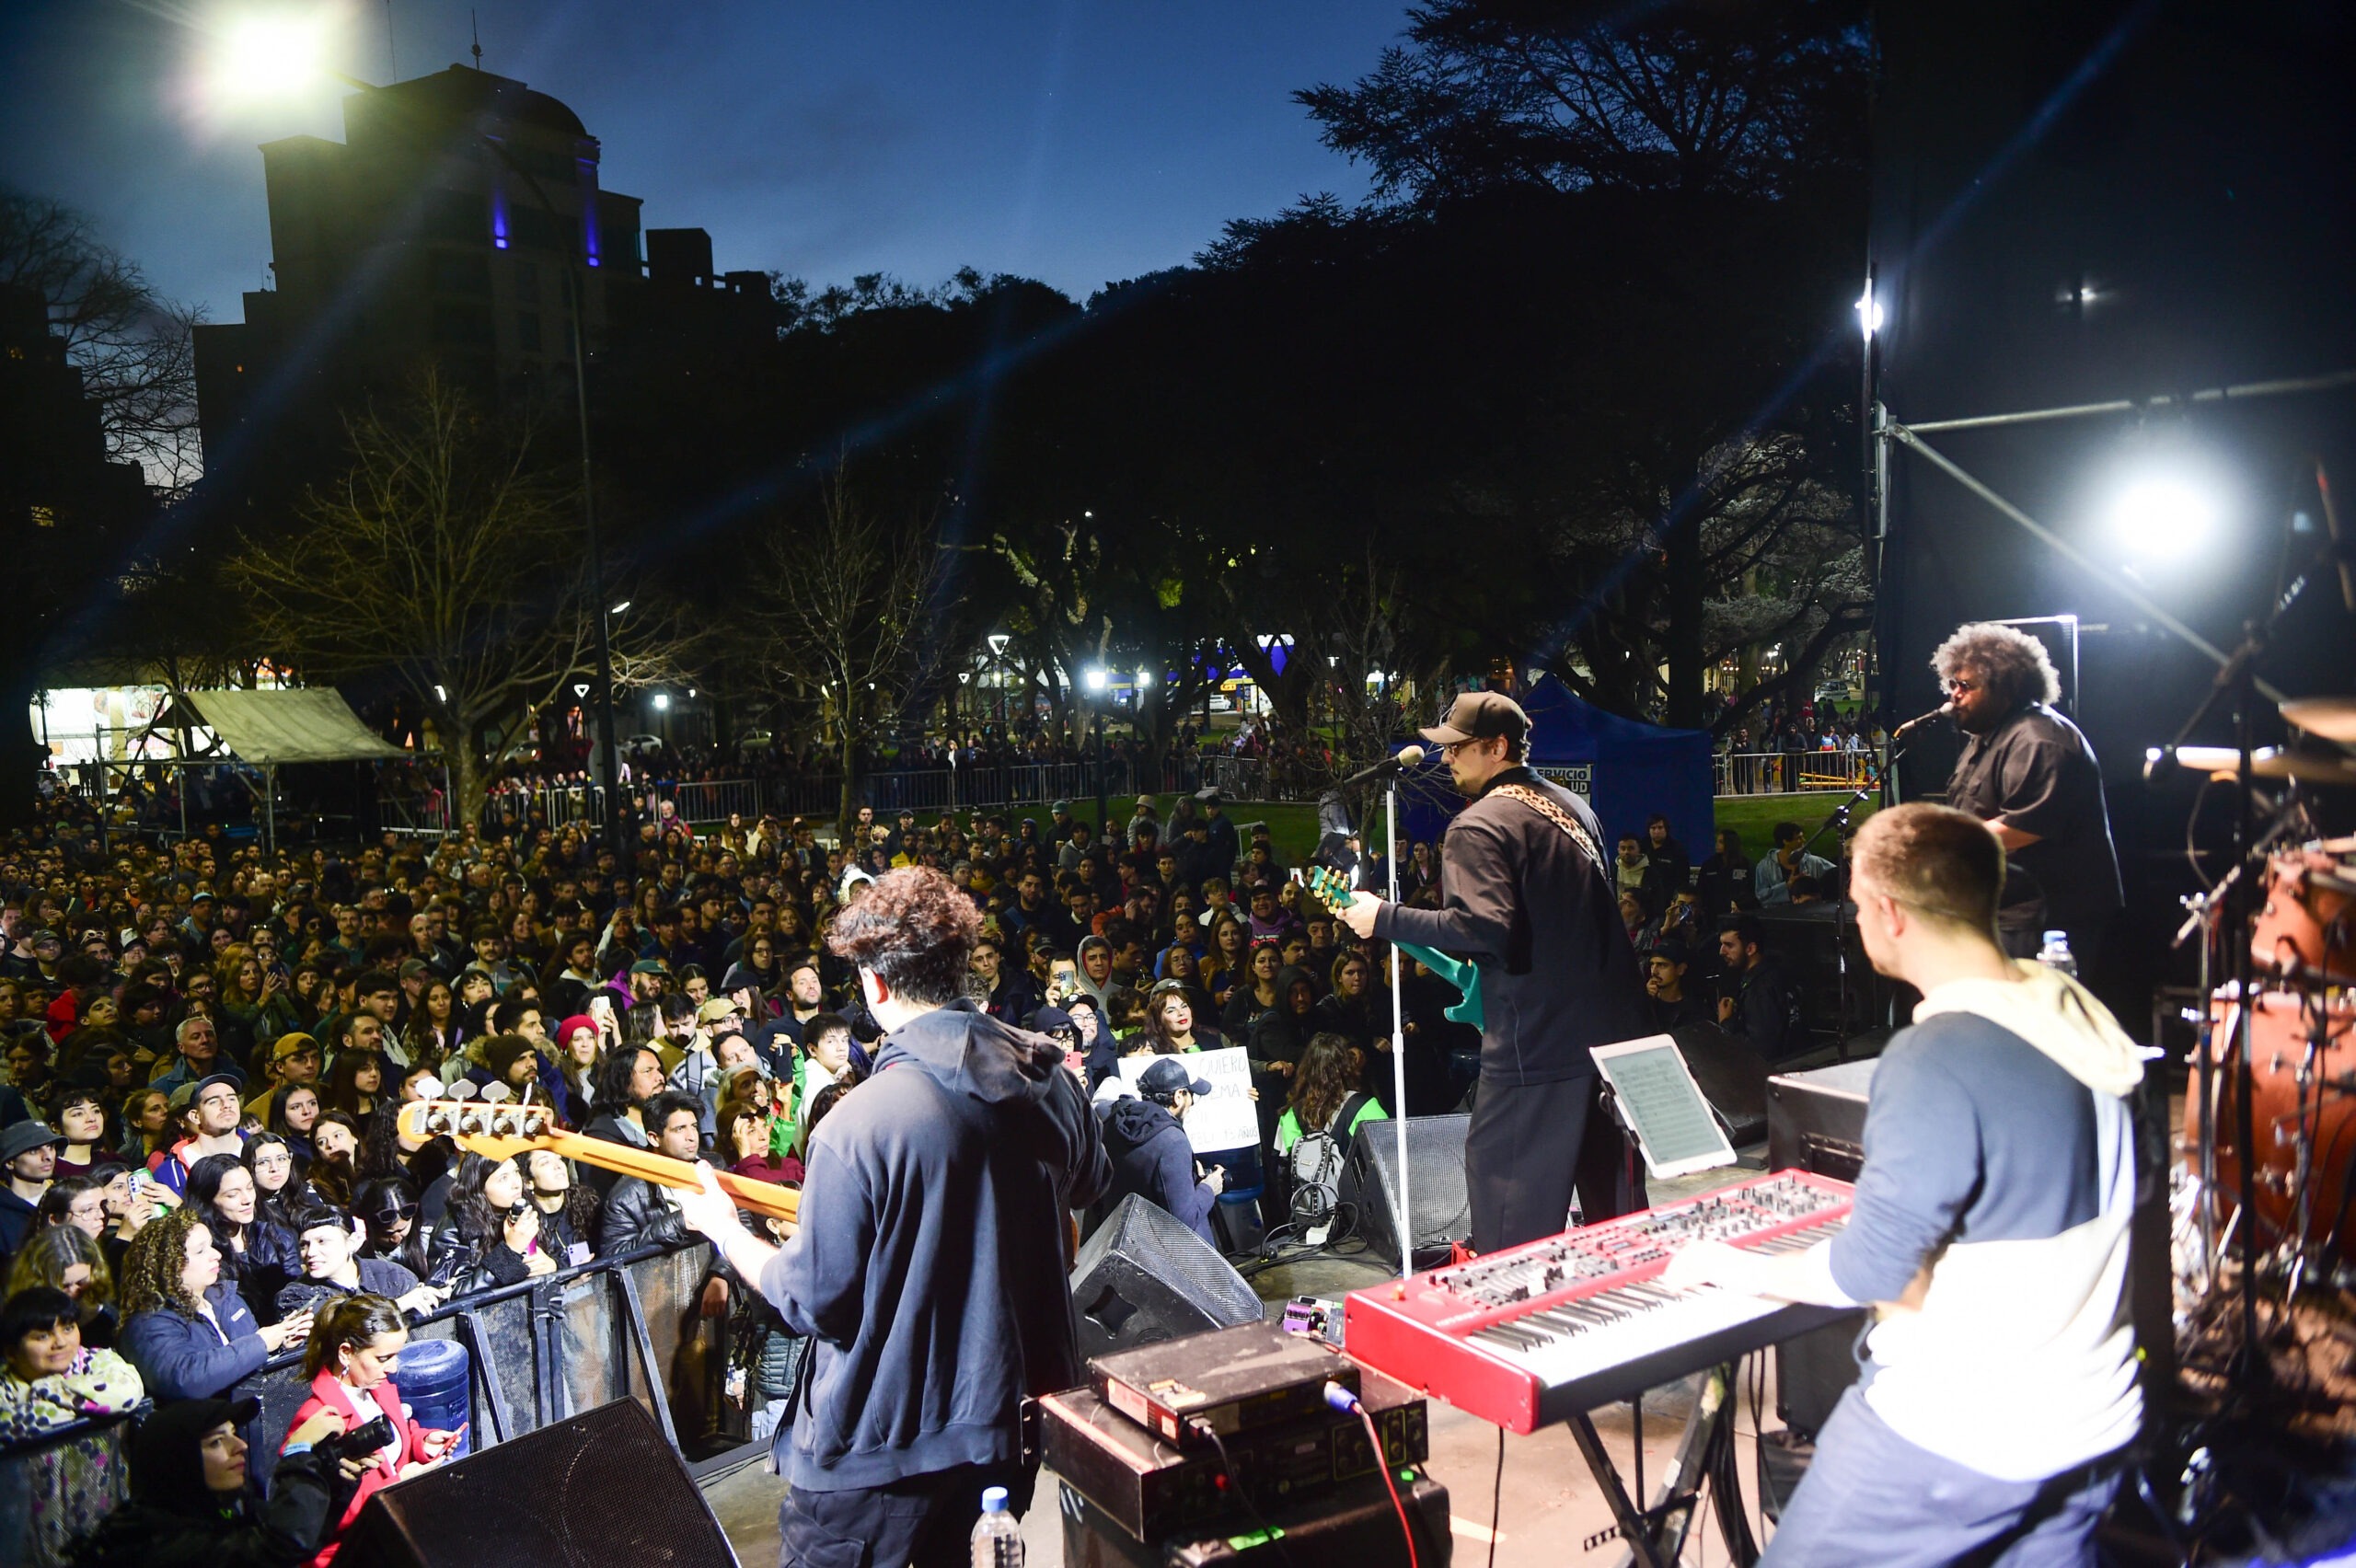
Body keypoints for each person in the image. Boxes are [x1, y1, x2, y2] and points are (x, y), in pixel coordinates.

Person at [1665, 802, 2142, 1566]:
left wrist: (1736, 1267)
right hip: (2097, 1420)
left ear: (1889, 913)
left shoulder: (1936, 1056)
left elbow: (1877, 1272)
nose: (1856, 919)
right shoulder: (2078, 1009)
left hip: (1962, 1435)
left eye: (1855, 905)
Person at [674, 866, 1109, 1568]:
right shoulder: (1047, 1078)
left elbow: (813, 1299)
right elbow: (1086, 1183)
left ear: (874, 986)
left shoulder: (856, 1126)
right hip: (1006, 1435)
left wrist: (724, 1228)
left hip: (877, 1461)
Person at [1336, 692, 1652, 1251]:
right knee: (1619, 1217)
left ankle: (1510, 1333)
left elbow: (1483, 931)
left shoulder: (1478, 826)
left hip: (1538, 1046)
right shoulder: (1573, 806)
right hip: (1614, 1043)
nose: (1445, 759)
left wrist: (1383, 916)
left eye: (1458, 748)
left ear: (1497, 747)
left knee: (1509, 1215)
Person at [1931, 621, 2123, 967]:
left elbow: (2025, 826)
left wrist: (1938, 841)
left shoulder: (2039, 739)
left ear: (2006, 687)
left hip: (2046, 918)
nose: (1954, 695)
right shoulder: (1988, 737)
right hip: (2006, 910)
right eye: (1952, 684)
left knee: (2034, 1018)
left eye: (1966, 686)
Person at [66, 1392, 369, 1568]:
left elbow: (302, 1538)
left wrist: (336, 1481)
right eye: (215, 1442)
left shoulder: (221, 1510)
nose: (241, 1446)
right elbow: (283, 1545)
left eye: (233, 1434)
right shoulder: (160, 1544)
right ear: (178, 1462)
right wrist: (298, 1453)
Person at [282, 1294, 462, 1565]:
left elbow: (397, 1436)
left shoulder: (377, 1387)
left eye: (396, 1355)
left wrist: (421, 1442)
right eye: (383, 1358)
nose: (393, 1367)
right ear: (346, 1353)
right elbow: (316, 1509)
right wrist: (399, 1485)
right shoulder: (315, 1419)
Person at [0, 1284, 144, 1566]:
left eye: (68, 1328)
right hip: (31, 1533)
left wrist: (48, 1391)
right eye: (42, 1335)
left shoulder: (100, 1362)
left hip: (102, 1519)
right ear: (12, 1351)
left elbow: (126, 1392)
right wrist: (85, 1402)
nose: (60, 1342)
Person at [118, 1206, 311, 1404]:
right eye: (200, 1251)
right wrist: (260, 1343)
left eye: (211, 1245)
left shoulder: (228, 1299)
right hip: (206, 1429)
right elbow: (184, 1379)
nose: (216, 1255)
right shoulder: (148, 1323)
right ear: (168, 1263)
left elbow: (249, 1364)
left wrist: (279, 1344)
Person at [1097, 1056, 1225, 1248]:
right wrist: (1209, 1188)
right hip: (1170, 1256)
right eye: (1192, 1095)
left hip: (1127, 1244)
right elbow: (1184, 1221)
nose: (1192, 1104)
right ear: (1179, 1096)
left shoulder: (1117, 1121)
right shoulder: (1172, 1141)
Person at [278, 1205, 445, 1321]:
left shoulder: (393, 1275)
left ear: (352, 1242)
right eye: (304, 1245)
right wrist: (398, 1306)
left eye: (322, 1242)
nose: (311, 1253)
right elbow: (341, 1326)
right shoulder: (295, 1296)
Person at [596, 1090, 702, 1255]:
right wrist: (677, 1222)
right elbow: (615, 1256)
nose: (692, 1137)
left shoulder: (713, 1167)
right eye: (680, 1129)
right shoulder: (625, 1197)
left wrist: (719, 1276)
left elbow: (741, 1225)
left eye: (694, 1127)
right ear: (654, 1138)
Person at [1716, 916, 1808, 1064]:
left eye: (1729, 945)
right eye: (1721, 944)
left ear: (1750, 948)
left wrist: (1726, 1023)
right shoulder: (1779, 972)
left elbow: (1760, 1051)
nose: (1722, 951)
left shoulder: (1760, 989)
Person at [2, 1118, 64, 1260]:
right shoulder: (4, 1214)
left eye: (51, 1147)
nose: (48, 1157)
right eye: (34, 1151)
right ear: (10, 1162)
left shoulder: (68, 1196)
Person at [1754, 822, 1837, 908]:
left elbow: (1836, 874)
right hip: (1778, 915)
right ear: (1785, 841)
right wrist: (1787, 886)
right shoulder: (1765, 866)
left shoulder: (1814, 862)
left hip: (1811, 912)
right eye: (1798, 838)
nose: (1803, 841)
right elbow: (1761, 896)